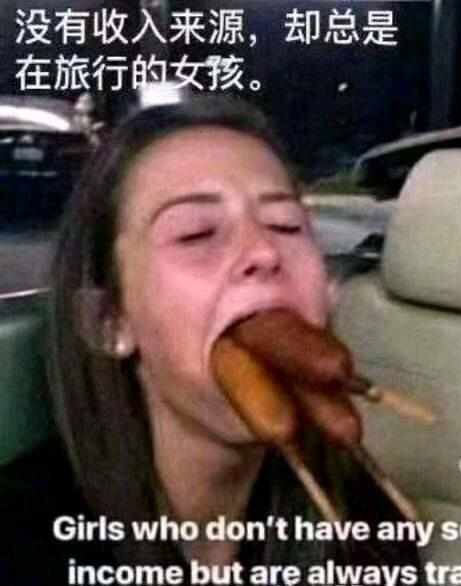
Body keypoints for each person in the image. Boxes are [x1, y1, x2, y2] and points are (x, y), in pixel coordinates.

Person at [1, 96, 421, 585]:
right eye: (196, 233)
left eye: (287, 225)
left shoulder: (365, 527)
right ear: (110, 321)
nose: (264, 251)